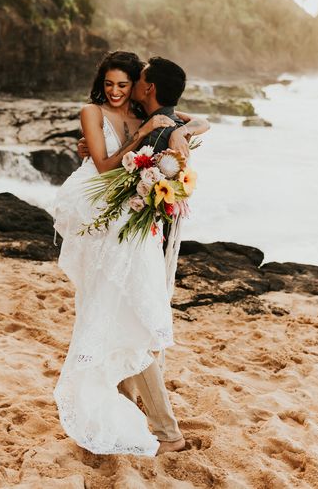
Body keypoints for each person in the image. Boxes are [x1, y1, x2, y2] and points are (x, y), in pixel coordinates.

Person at [51, 51, 209, 457]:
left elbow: (194, 120)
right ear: (101, 83)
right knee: (116, 316)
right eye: (111, 84)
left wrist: (177, 134)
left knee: (125, 319)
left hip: (128, 225)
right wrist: (144, 137)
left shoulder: (147, 114)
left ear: (142, 87)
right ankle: (142, 420)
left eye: (127, 83)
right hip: (102, 217)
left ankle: (159, 427)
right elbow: (106, 167)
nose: (119, 91)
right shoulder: (97, 111)